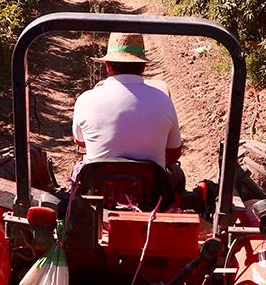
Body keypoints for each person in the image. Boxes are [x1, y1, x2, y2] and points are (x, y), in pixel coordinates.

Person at [72, 32, 184, 177]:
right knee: (177, 176)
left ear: (108, 66)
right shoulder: (163, 100)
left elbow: (80, 141)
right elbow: (174, 153)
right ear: (143, 66)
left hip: (97, 190)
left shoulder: (85, 100)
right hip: (151, 193)